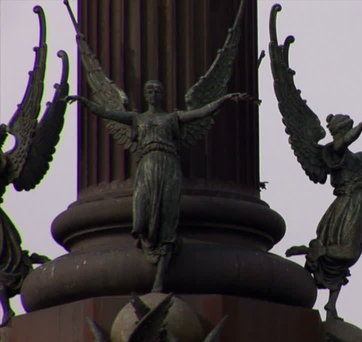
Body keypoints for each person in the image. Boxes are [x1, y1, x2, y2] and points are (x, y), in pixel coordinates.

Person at [68, 81, 248, 292]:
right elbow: (107, 112)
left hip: (168, 167)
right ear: (145, 95)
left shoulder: (172, 118)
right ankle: (150, 247)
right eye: (150, 91)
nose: (154, 94)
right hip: (147, 166)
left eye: (158, 90)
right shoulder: (137, 118)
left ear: (163, 94)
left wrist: (223, 99)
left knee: (167, 217)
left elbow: (201, 113)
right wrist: (84, 102)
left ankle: (161, 270)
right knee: (142, 217)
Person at [287, 114, 362, 321]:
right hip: (351, 201)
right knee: (348, 250)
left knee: (345, 256)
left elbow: (359, 156)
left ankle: (331, 306)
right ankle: (314, 251)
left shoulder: (346, 155)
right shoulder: (334, 150)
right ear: (342, 130)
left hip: (357, 198)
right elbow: (348, 141)